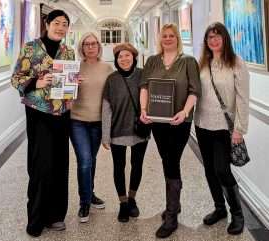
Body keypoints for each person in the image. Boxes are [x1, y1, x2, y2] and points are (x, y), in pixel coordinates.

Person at [11, 10, 74, 237]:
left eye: (65, 24)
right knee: (40, 166)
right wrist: (37, 81)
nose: (60, 27)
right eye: (56, 22)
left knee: (59, 164)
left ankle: (56, 216)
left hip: (62, 114)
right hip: (39, 114)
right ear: (47, 23)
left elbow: (68, 82)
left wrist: (75, 83)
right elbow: (16, 78)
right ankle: (36, 217)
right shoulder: (31, 47)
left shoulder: (68, 52)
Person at [139, 23, 201, 238]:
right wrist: (144, 109)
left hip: (179, 122)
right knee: (167, 159)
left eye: (171, 36)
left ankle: (172, 215)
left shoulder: (188, 62)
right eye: (164, 36)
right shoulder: (152, 61)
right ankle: (174, 205)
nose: (167, 39)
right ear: (160, 38)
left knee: (172, 160)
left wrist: (184, 112)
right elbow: (144, 86)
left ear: (177, 38)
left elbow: (194, 91)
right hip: (157, 121)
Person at [194, 22, 249, 235]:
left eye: (218, 36)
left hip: (224, 128)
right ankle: (219, 209)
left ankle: (237, 213)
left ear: (225, 38)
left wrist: (239, 129)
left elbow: (243, 99)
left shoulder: (236, 63)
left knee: (222, 170)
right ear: (206, 42)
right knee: (209, 170)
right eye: (210, 38)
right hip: (202, 124)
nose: (214, 41)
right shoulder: (203, 63)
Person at [102, 43, 149, 223]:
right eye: (120, 56)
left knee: (137, 165)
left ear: (134, 57)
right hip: (117, 131)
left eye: (127, 55)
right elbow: (106, 108)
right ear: (116, 59)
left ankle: (132, 199)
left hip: (140, 130)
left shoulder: (143, 75)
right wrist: (105, 135)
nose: (124, 59)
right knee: (118, 167)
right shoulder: (111, 79)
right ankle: (122, 203)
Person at [70, 32, 113, 223]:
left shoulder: (107, 68)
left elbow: (113, 95)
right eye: (86, 44)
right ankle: (84, 202)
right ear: (82, 47)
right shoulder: (74, 67)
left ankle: (90, 192)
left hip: (98, 122)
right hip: (77, 120)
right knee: (85, 161)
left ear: (98, 46)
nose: (90, 47)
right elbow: (62, 92)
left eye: (94, 43)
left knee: (91, 159)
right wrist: (71, 84)